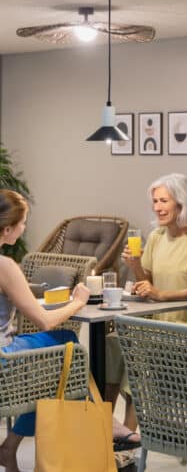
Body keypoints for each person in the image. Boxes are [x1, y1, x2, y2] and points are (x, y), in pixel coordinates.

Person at [106, 173, 187, 432]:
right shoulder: (157, 236)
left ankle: (129, 436)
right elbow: (147, 284)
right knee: (111, 345)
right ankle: (103, 429)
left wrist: (161, 295)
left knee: (140, 350)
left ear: (182, 203)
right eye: (155, 201)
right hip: (159, 326)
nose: (157, 207)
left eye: (163, 201)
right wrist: (136, 267)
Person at [0, 189, 91, 472]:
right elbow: (46, 322)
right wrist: (77, 302)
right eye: (23, 222)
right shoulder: (5, 265)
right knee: (68, 347)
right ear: (7, 228)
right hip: (4, 360)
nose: (24, 227)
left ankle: (10, 449)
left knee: (50, 368)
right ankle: (73, 449)